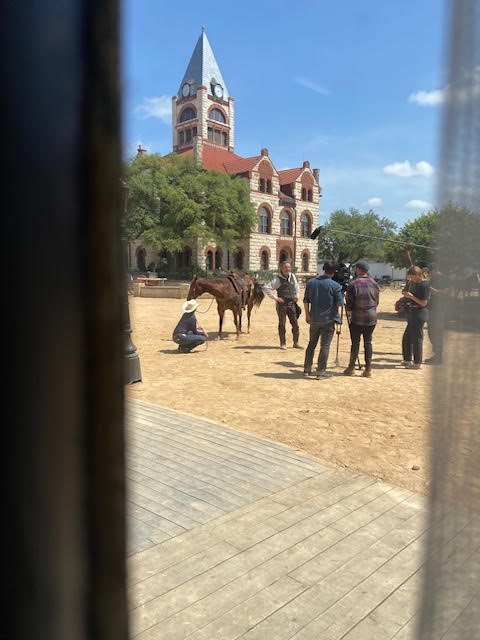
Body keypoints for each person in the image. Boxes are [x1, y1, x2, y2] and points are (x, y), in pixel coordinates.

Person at [303, 261, 344, 379]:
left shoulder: (311, 282)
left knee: (311, 344)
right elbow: (340, 304)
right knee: (324, 346)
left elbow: (306, 300)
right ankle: (320, 372)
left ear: (323, 269)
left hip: (314, 318)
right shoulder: (335, 285)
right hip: (328, 320)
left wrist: (307, 315)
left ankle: (307, 368)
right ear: (334, 272)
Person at [343, 261, 380, 378]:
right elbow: (377, 301)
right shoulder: (374, 283)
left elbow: (349, 303)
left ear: (358, 269)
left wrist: (349, 312)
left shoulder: (353, 284)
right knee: (368, 342)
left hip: (358, 317)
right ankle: (368, 369)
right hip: (371, 317)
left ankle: (351, 367)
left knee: (355, 343)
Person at [264, 261, 302, 350]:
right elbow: (267, 287)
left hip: (292, 304)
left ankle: (296, 342)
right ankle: (283, 343)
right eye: (285, 267)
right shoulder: (277, 279)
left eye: (288, 267)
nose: (287, 269)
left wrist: (297, 296)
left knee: (295, 324)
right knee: (282, 324)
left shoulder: (292, 276)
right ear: (281, 268)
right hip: (282, 305)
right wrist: (276, 298)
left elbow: (296, 287)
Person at [401, 265, 430, 369]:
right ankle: (407, 359)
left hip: (420, 312)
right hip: (413, 311)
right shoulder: (415, 283)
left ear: (418, 275)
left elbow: (423, 303)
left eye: (412, 277)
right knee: (407, 337)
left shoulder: (424, 285)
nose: (411, 279)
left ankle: (417, 362)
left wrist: (411, 296)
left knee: (417, 338)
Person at [425, 263, 447, 364]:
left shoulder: (444, 279)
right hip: (432, 309)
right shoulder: (432, 279)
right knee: (431, 332)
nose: (430, 274)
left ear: (437, 269)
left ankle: (439, 357)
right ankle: (436, 354)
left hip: (439, 310)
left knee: (437, 333)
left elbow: (444, 294)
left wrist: (429, 288)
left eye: (431, 271)